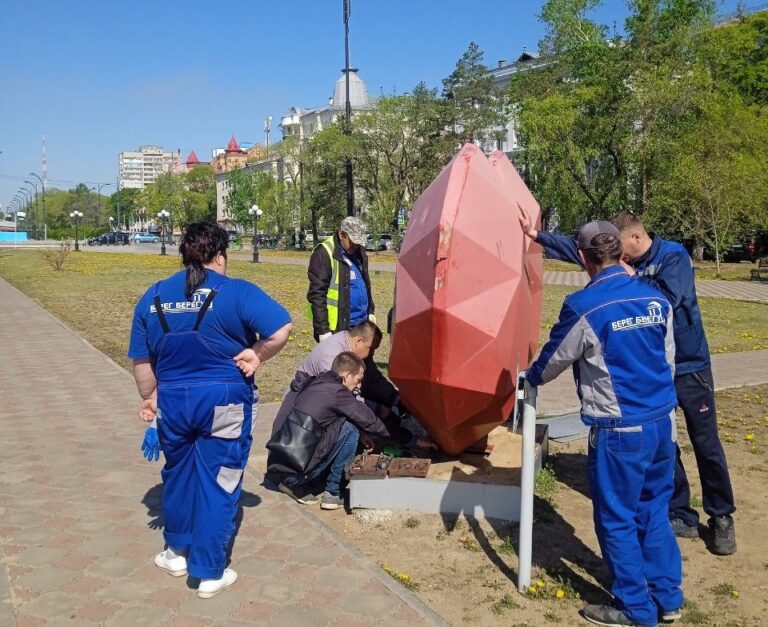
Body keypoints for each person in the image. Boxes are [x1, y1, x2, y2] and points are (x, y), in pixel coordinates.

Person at [519, 207, 736, 555]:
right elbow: (582, 249)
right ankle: (680, 512)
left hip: (689, 365)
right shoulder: (621, 258)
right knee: (665, 441)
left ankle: (722, 516)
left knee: (705, 441)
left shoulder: (673, 257)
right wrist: (538, 236)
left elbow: (666, 301)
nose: (617, 256)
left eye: (621, 248)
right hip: (652, 370)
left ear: (636, 237)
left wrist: (627, 277)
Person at [526, 221, 682, 627]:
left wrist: (527, 379)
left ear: (582, 257)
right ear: (620, 252)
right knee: (654, 510)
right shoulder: (655, 298)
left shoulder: (584, 306)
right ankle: (668, 597)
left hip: (619, 431)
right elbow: (668, 360)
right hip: (663, 424)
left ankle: (635, 608)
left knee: (617, 518)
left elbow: (551, 363)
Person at [129, 222, 292, 599]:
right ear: (220, 255)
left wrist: (149, 398)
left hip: (173, 403)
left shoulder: (153, 296)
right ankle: (209, 571)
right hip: (224, 402)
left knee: (178, 473)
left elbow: (141, 360)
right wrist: (258, 354)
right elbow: (281, 327)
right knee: (220, 480)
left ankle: (175, 552)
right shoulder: (236, 291)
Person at [267, 352, 390, 510]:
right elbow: (369, 420)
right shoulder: (338, 392)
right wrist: (395, 437)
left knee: (345, 423)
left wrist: (362, 435)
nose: (359, 386)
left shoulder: (317, 382)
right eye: (358, 380)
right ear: (347, 375)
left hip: (279, 464)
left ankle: (294, 481)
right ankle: (333, 493)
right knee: (351, 429)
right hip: (297, 475)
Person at [289, 319, 434, 450]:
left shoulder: (352, 346)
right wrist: (408, 439)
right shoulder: (332, 359)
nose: (372, 354)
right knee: (350, 431)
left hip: (321, 407)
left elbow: (373, 379)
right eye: (371, 349)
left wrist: (394, 398)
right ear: (358, 341)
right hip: (301, 427)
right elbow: (350, 405)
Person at [308, 216, 375, 342]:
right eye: (352, 242)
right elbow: (317, 294)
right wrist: (322, 329)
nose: (355, 246)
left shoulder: (359, 252)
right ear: (341, 234)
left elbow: (365, 283)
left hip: (361, 323)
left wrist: (370, 310)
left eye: (358, 243)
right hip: (339, 328)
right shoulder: (324, 253)